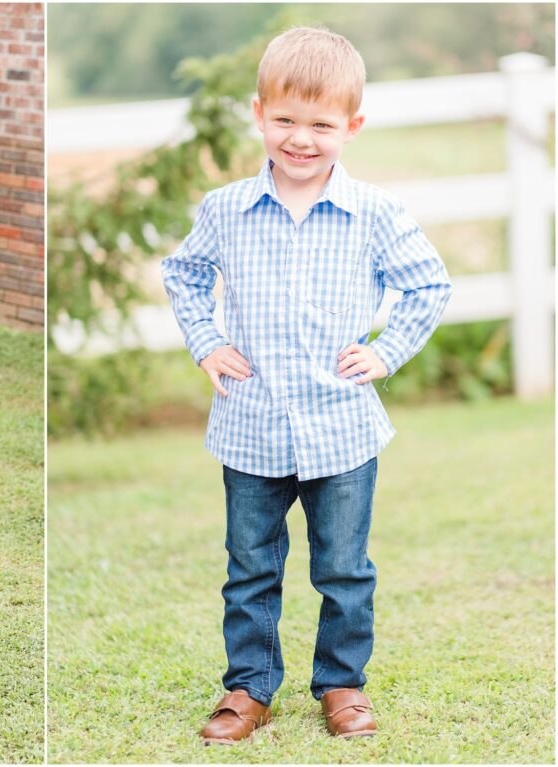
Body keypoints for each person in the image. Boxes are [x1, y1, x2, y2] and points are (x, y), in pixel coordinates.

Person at [161, 27, 452, 743]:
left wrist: (387, 354)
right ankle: (248, 688)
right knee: (251, 566)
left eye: (321, 125)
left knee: (344, 567)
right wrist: (208, 343)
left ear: (350, 127)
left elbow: (429, 285)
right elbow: (184, 274)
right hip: (251, 421)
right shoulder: (227, 208)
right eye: (286, 120)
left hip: (342, 423)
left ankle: (342, 683)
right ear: (260, 113)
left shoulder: (375, 212)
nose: (301, 138)